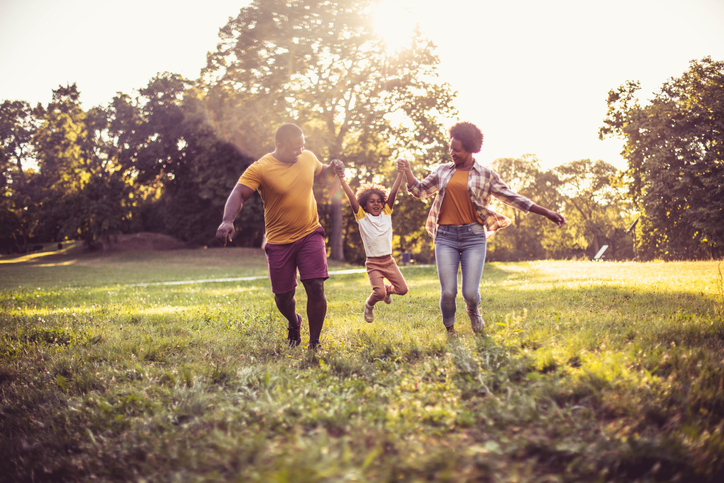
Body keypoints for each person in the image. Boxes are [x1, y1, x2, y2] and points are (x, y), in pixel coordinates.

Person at [397, 121, 565, 336]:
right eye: (451, 148)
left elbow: (513, 198)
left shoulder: (486, 175)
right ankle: (450, 330)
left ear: (470, 149)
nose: (452, 153)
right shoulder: (442, 171)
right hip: (445, 237)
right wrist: (408, 171)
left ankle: (473, 310)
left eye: (456, 150)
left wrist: (547, 213)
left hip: (473, 237)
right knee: (448, 292)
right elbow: (420, 191)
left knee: (469, 292)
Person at [216, 123, 343, 350]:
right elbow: (239, 193)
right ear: (279, 145)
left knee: (315, 286)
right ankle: (294, 322)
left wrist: (333, 167)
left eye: (302, 146)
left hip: (310, 232)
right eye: (295, 147)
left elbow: (322, 173)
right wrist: (228, 220)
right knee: (283, 297)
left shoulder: (307, 157)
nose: (300, 151)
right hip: (279, 241)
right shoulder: (261, 168)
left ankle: (314, 343)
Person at [335, 165, 409, 322]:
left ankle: (388, 289)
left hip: (389, 261)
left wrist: (401, 173)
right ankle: (369, 305)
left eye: (379, 201)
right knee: (379, 294)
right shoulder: (362, 217)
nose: (376, 204)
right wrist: (341, 179)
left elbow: (394, 192)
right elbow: (351, 197)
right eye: (371, 201)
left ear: (383, 203)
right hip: (373, 263)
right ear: (364, 204)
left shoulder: (386, 213)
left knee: (402, 289)